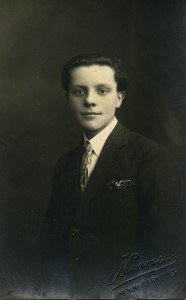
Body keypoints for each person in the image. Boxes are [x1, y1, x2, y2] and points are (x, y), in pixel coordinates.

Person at [39, 53, 182, 298]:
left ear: (119, 98)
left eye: (102, 91)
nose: (90, 101)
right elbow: (52, 246)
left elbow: (163, 256)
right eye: (79, 92)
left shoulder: (151, 158)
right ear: (67, 99)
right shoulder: (65, 164)